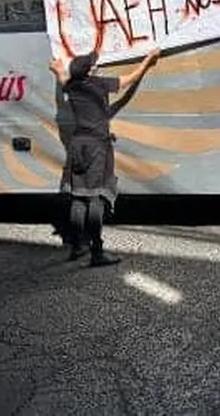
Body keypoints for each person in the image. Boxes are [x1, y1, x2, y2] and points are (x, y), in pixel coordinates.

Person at [51, 46, 161, 267]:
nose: (96, 66)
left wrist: (56, 69)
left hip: (78, 145)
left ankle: (77, 246)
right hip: (97, 148)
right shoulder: (99, 85)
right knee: (96, 198)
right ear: (91, 71)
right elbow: (131, 80)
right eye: (94, 64)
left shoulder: (72, 86)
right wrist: (148, 61)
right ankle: (97, 252)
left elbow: (63, 79)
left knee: (78, 196)